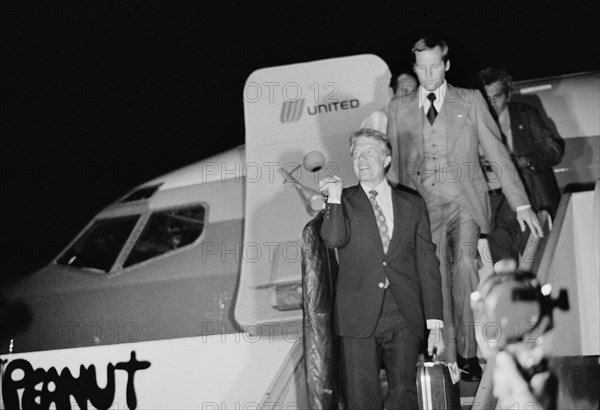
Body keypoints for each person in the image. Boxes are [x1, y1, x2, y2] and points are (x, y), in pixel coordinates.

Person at [386, 37, 544, 382]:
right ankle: (448, 357)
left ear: (446, 65)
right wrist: (393, 214)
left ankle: (470, 352)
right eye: (421, 67)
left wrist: (521, 203)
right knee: (435, 276)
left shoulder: (470, 101)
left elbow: (497, 152)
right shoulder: (398, 109)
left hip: (464, 200)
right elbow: (395, 167)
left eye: (434, 66)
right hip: (423, 205)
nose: (428, 74)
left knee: (464, 267)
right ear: (414, 67)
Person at [319, 128, 445, 409]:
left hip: (402, 311)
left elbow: (427, 262)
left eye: (369, 152)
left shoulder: (412, 203)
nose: (361, 159)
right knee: (360, 397)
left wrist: (435, 323)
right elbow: (333, 239)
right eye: (356, 154)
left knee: (404, 393)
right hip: (355, 313)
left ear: (387, 159)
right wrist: (335, 198)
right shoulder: (343, 201)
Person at [477, 67, 563, 264]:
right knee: (502, 267)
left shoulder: (526, 115)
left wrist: (525, 161)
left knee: (535, 262)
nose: (491, 104)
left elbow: (554, 150)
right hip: (494, 207)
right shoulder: (475, 123)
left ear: (507, 95)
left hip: (530, 200)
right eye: (486, 99)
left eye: (496, 97)